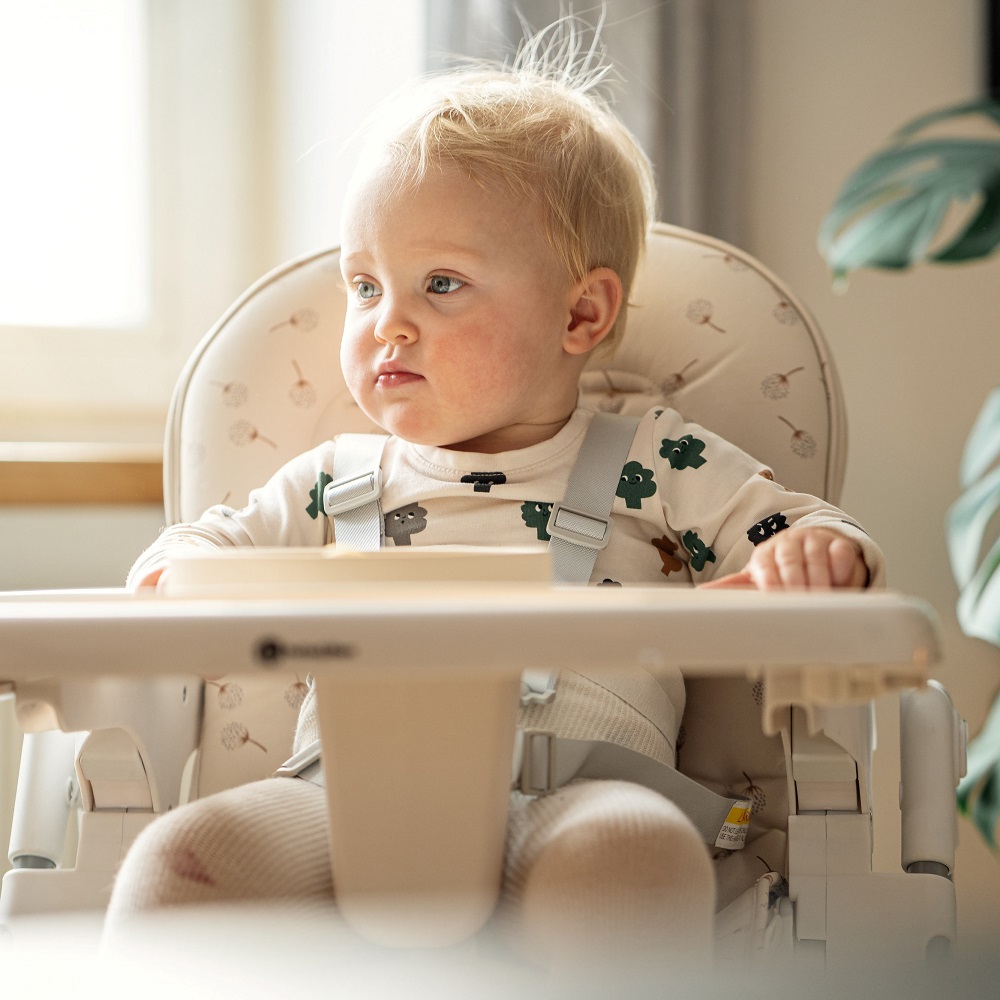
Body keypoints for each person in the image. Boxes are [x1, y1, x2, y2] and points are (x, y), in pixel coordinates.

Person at [105, 25, 881, 977]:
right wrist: (173, 577)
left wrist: (816, 556)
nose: (386, 321)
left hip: (584, 790)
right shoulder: (331, 476)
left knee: (633, 865)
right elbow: (199, 550)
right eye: (363, 284)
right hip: (336, 798)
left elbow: (795, 533)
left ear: (580, 315)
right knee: (179, 865)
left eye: (441, 284)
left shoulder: (657, 456)